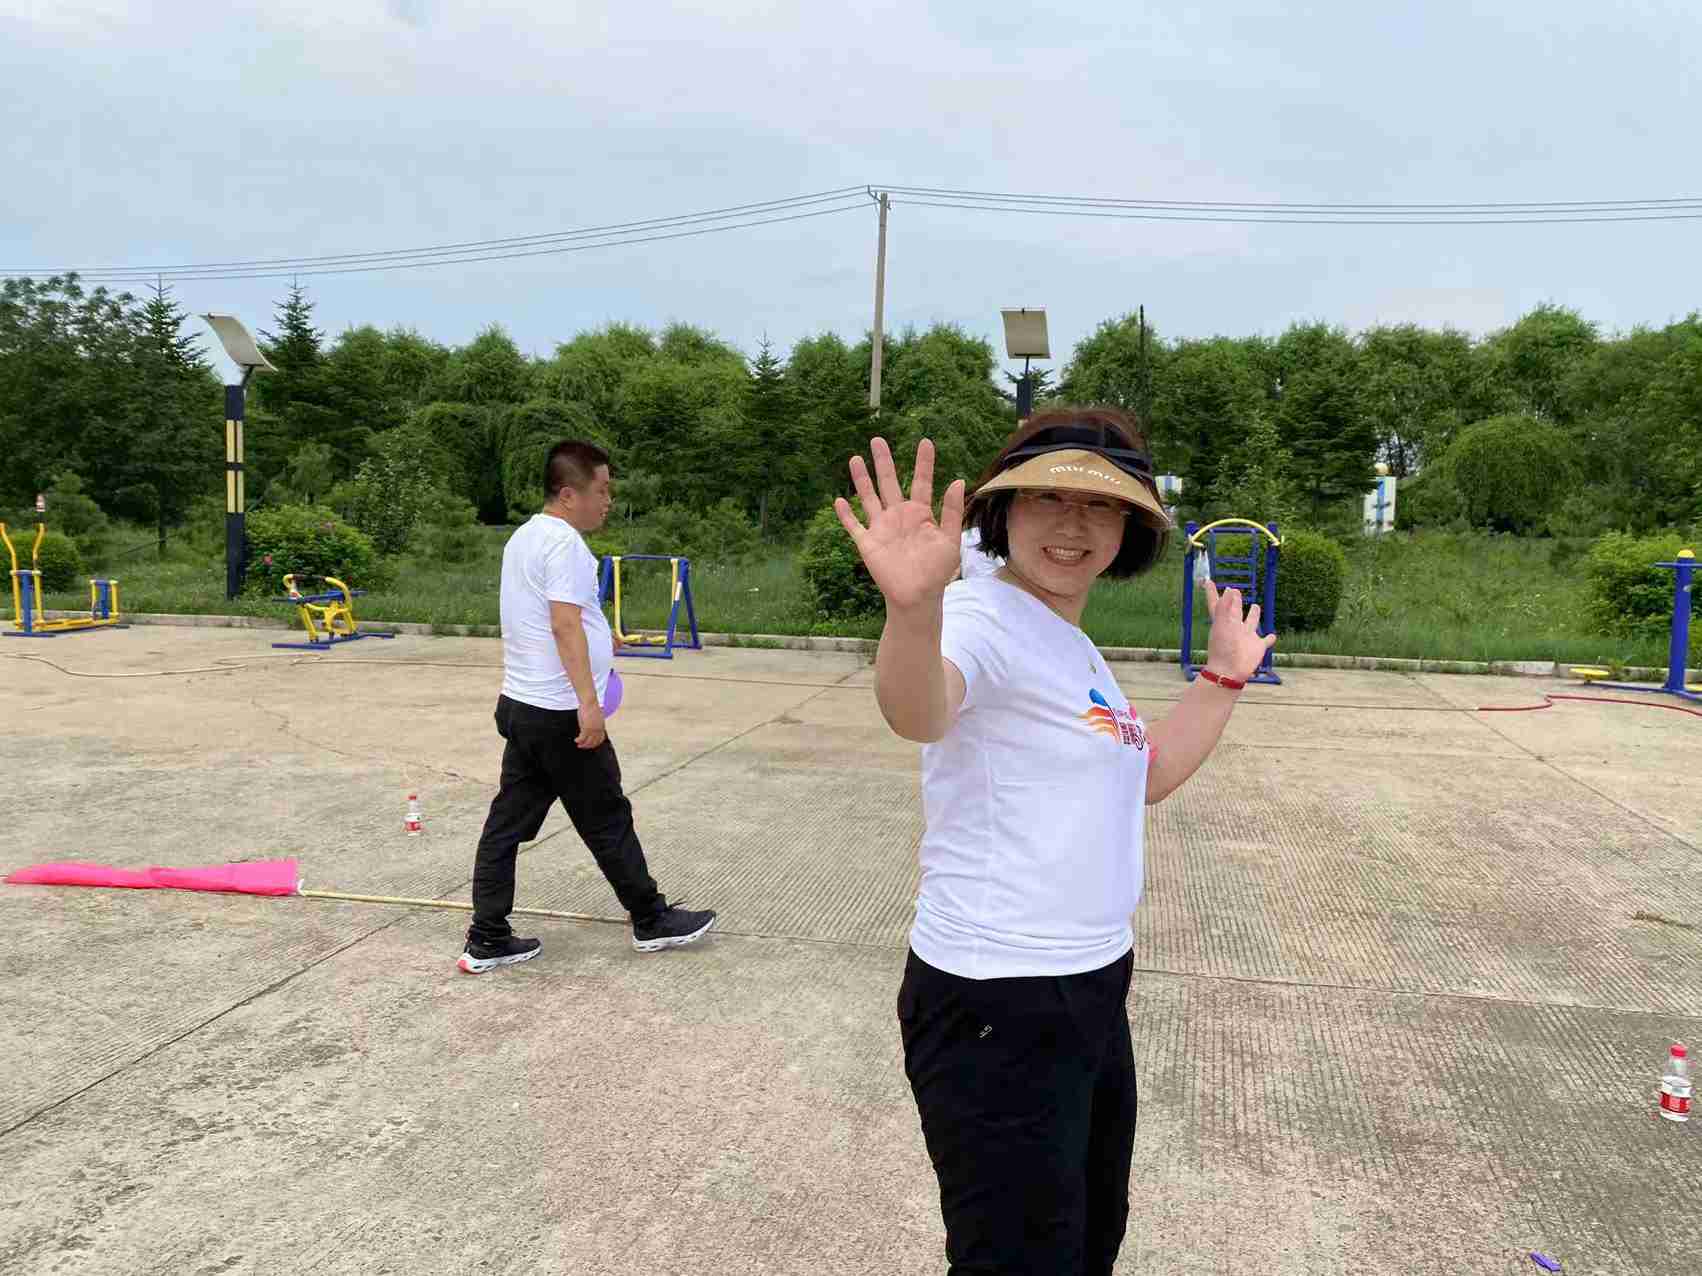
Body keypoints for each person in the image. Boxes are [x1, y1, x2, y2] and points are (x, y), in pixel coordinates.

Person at [833, 407, 1275, 1275]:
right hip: (998, 998)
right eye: (1046, 498)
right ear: (1004, 510)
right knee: (1019, 1259)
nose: (1073, 524)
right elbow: (919, 709)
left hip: (1090, 981)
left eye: (1101, 505)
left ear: (1130, 528)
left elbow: (1140, 778)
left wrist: (1223, 677)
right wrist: (913, 612)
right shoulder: (979, 617)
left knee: (1088, 1237)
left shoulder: (1068, 641)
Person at [459, 440, 716, 973]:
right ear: (568, 494)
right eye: (601, 490)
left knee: (507, 823)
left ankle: (486, 937)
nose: (608, 501)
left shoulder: (524, 537)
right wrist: (588, 704)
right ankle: (650, 919)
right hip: (560, 715)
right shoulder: (565, 544)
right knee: (607, 817)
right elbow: (563, 623)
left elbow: (552, 616)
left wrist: (603, 637)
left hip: (523, 705)